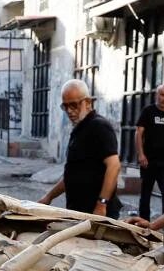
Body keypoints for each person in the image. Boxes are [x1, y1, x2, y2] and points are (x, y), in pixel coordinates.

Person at [41, 79, 121, 218]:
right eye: (65, 107)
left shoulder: (99, 126)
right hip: (78, 211)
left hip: (96, 213)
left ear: (88, 102)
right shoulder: (79, 129)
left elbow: (114, 166)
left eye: (74, 105)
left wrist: (101, 205)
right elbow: (73, 174)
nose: (70, 111)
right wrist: (49, 197)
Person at [135, 85, 164, 219]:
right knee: (145, 194)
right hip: (149, 161)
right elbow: (138, 133)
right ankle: (143, 224)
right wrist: (141, 154)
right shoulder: (148, 111)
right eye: (162, 95)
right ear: (156, 95)